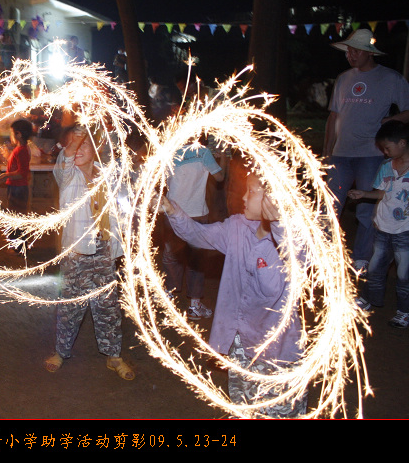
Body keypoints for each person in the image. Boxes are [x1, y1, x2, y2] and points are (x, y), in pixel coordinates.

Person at [158, 172, 307, 417]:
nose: (244, 197)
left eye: (252, 191)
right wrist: (172, 210)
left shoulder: (295, 240)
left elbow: (299, 259)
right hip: (241, 344)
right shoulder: (238, 227)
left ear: (274, 198)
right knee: (243, 407)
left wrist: (279, 223)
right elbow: (198, 234)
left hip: (275, 354)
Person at [44, 126, 135, 381]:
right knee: (71, 306)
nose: (77, 149)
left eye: (84, 144)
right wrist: (79, 133)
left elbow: (122, 205)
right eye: (73, 144)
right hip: (77, 252)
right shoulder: (68, 175)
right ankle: (61, 352)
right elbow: (66, 157)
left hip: (104, 249)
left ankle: (113, 355)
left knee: (108, 306)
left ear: (96, 150)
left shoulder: (107, 174)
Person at [323, 29, 409, 272]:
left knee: (366, 208)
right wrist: (327, 150)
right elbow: (333, 117)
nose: (350, 55)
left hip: (371, 154)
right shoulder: (343, 79)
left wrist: (391, 120)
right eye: (348, 51)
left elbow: (407, 111)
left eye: (356, 51)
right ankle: (325, 253)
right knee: (330, 205)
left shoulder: (390, 79)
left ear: (369, 53)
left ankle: (361, 256)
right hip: (341, 153)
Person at [349, 120, 409, 328]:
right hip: (384, 227)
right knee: (375, 267)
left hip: (405, 231)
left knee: (404, 273)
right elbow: (383, 192)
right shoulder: (386, 167)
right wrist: (364, 194)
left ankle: (404, 311)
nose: (384, 152)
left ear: (402, 143)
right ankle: (368, 299)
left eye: (387, 148)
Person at [162, 141, 227, 319]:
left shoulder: (168, 150)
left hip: (172, 211)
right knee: (196, 261)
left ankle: (168, 299)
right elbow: (220, 177)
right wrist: (222, 158)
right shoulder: (203, 152)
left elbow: (161, 180)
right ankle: (194, 306)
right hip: (197, 213)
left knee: (172, 256)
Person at [0, 118, 32, 253]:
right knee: (15, 215)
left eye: (12, 133)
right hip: (17, 187)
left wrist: (7, 175)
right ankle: (16, 244)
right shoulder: (20, 149)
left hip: (18, 189)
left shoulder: (21, 150)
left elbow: (22, 173)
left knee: (17, 217)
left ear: (18, 134)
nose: (10, 136)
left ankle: (19, 246)